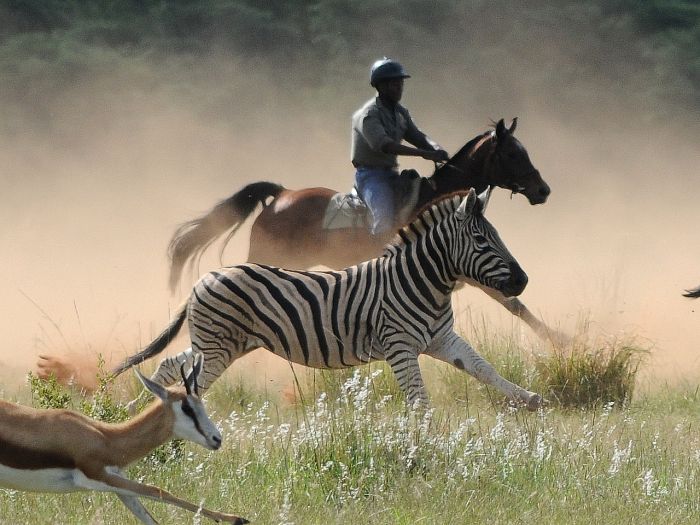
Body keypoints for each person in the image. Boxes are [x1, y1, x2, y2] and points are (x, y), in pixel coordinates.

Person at [352, 57, 449, 236]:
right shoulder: (368, 115)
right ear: (380, 86)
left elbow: (417, 136)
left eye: (400, 83)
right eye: (394, 83)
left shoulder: (400, 113)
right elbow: (385, 145)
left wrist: (436, 148)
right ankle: (376, 260)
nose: (399, 88)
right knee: (385, 221)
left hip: (392, 175)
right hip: (371, 177)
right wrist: (424, 153)